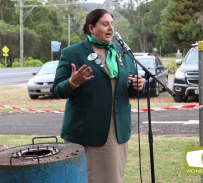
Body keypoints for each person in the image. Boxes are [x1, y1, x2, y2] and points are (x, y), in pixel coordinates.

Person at [52, 9, 143, 183]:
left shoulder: (122, 52)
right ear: (91, 28)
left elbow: (127, 86)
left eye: (112, 24)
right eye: (105, 24)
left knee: (113, 178)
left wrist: (138, 86)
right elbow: (57, 89)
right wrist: (73, 82)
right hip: (86, 131)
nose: (110, 28)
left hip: (117, 131)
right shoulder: (72, 53)